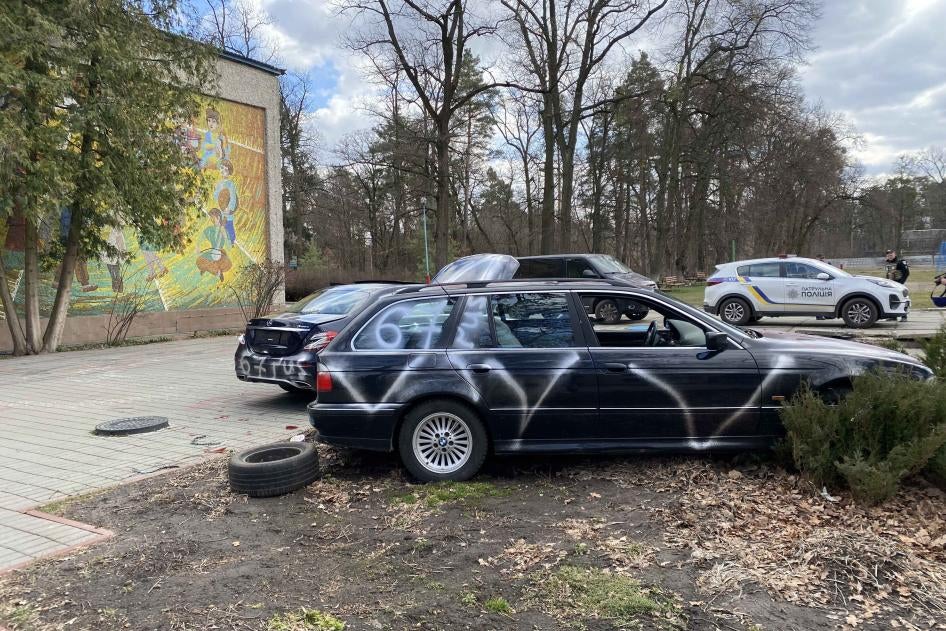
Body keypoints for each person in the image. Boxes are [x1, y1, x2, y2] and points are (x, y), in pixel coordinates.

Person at [884, 250, 909, 321]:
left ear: (894, 254)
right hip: (890, 285)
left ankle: (904, 316)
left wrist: (901, 283)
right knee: (891, 299)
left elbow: (906, 273)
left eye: (891, 255)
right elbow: (888, 273)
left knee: (902, 299)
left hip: (899, 284)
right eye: (888, 255)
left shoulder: (901, 262)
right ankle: (893, 316)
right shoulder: (888, 262)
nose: (890, 256)